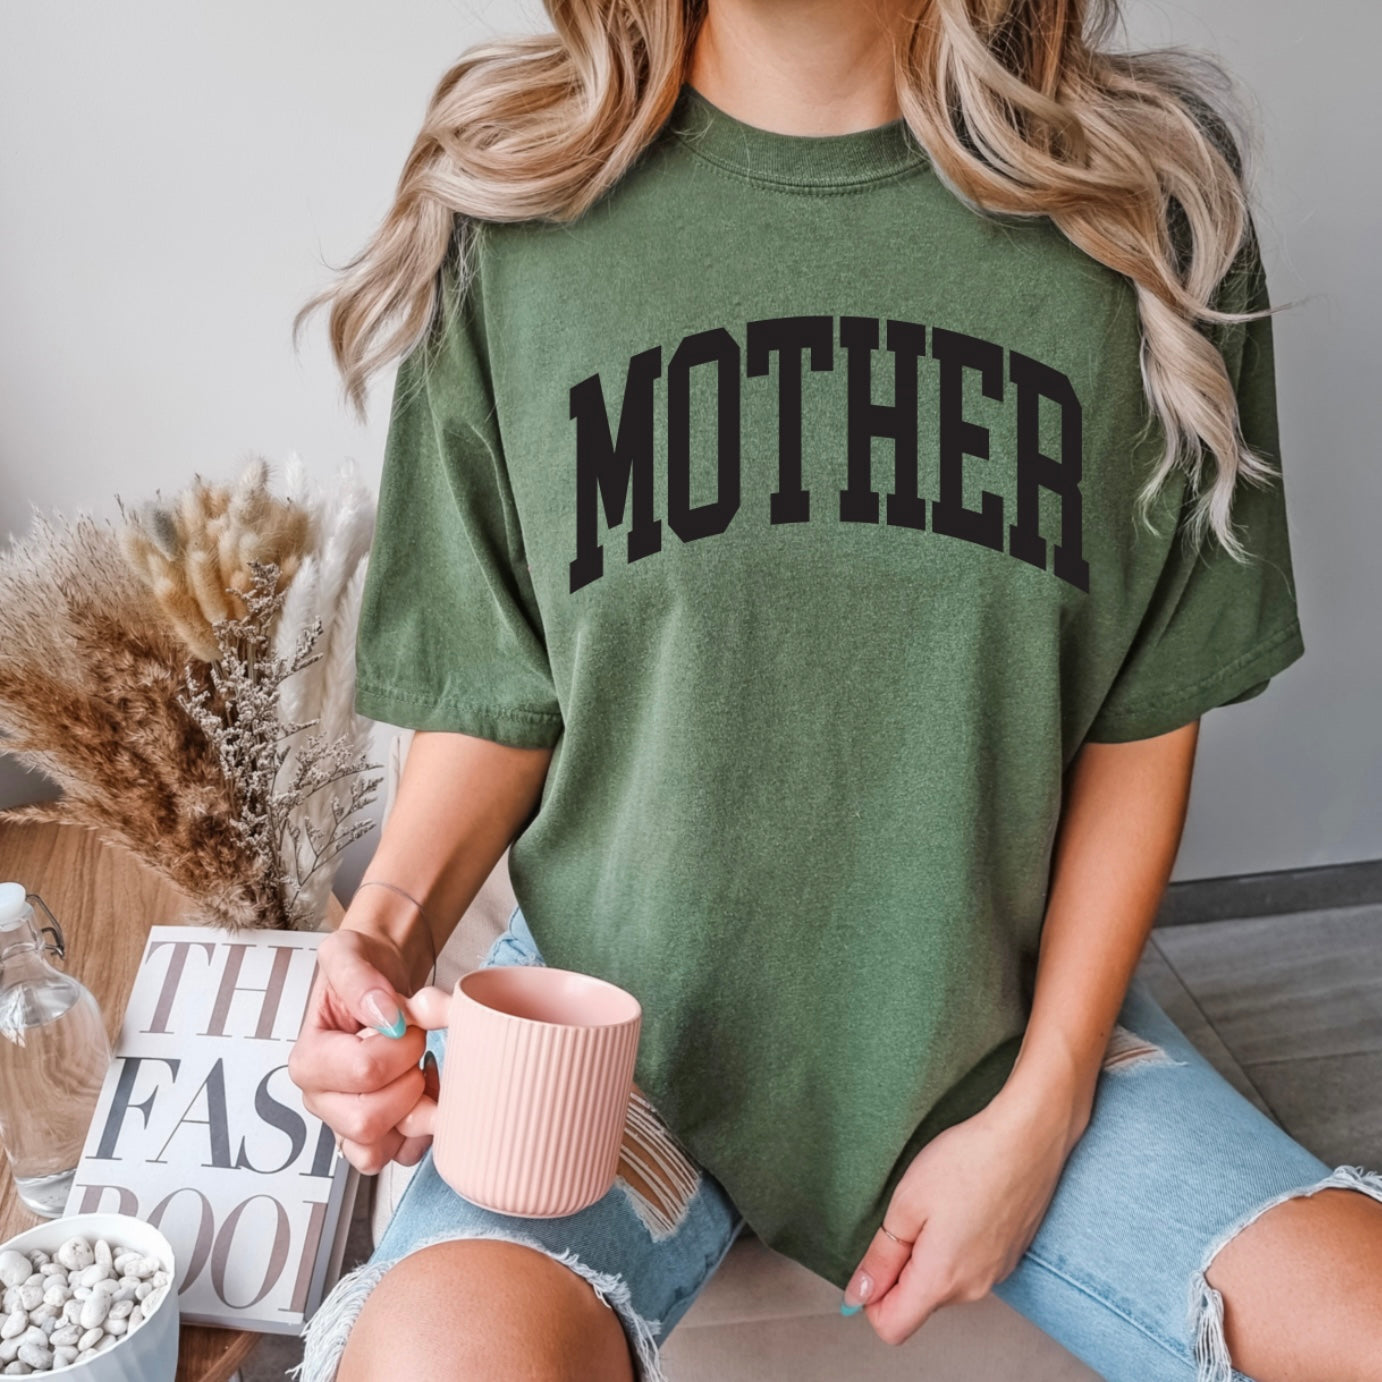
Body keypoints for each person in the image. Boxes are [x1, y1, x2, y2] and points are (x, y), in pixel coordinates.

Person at [286, 2, 1382, 1380]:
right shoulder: (514, 197)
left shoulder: (1140, 202)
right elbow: (496, 683)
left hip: (992, 1021)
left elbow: (1141, 716)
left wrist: (1040, 1106)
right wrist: (384, 932)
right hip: (612, 1048)